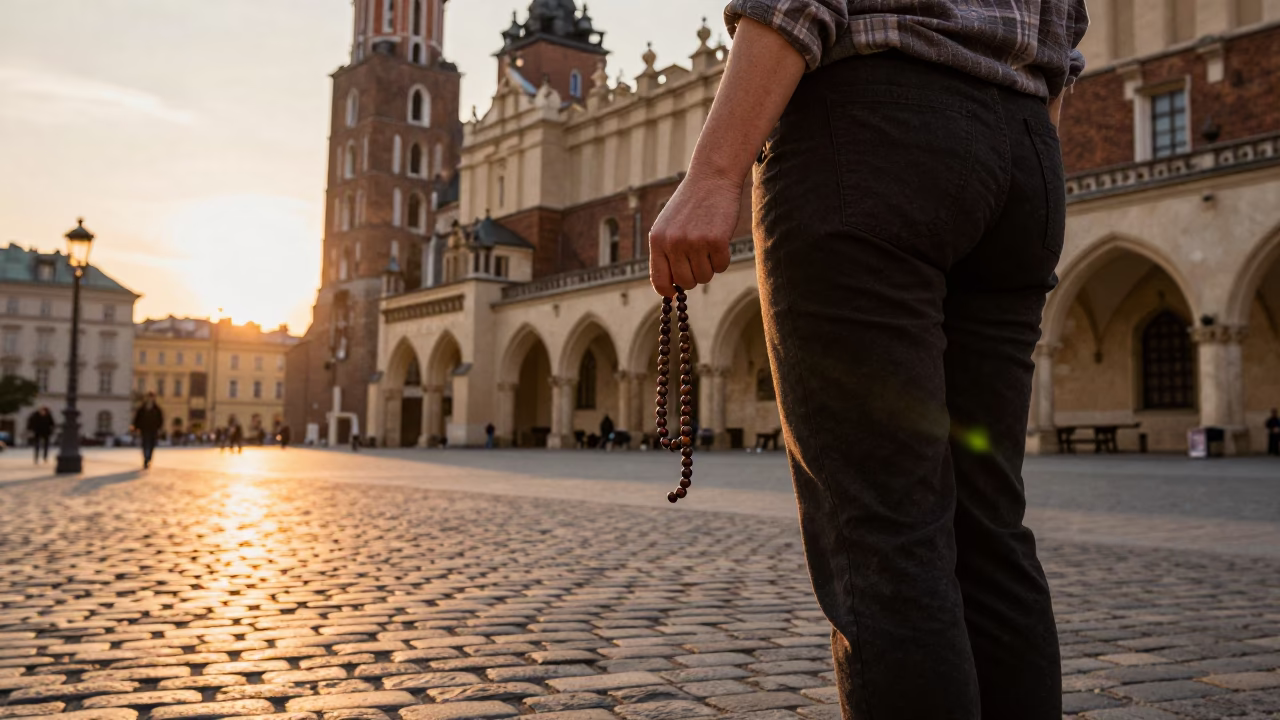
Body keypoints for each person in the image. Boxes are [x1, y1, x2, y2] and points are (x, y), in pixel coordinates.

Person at [647, 3, 1087, 718]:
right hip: (1029, 148)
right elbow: (1064, 28)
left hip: (872, 133)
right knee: (990, 524)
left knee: (885, 530)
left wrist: (715, 172)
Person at [131, 392, 164, 469]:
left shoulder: (157, 409)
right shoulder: (142, 408)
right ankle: (146, 459)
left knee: (151, 445)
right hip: (144, 429)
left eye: (151, 397)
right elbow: (137, 418)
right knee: (145, 444)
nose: (150, 399)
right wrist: (136, 427)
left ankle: (148, 458)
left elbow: (160, 420)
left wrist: (159, 428)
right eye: (149, 397)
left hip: (153, 429)